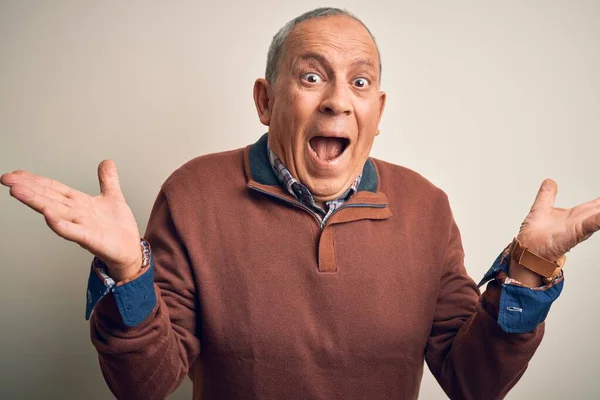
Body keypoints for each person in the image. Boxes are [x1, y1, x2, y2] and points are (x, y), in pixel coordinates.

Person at [1, 7, 598, 400]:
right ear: (265, 100)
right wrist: (127, 272)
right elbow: (147, 384)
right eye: (312, 76)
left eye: (360, 82)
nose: (339, 100)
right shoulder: (193, 195)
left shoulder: (426, 207)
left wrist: (528, 272)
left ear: (379, 113)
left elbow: (473, 382)